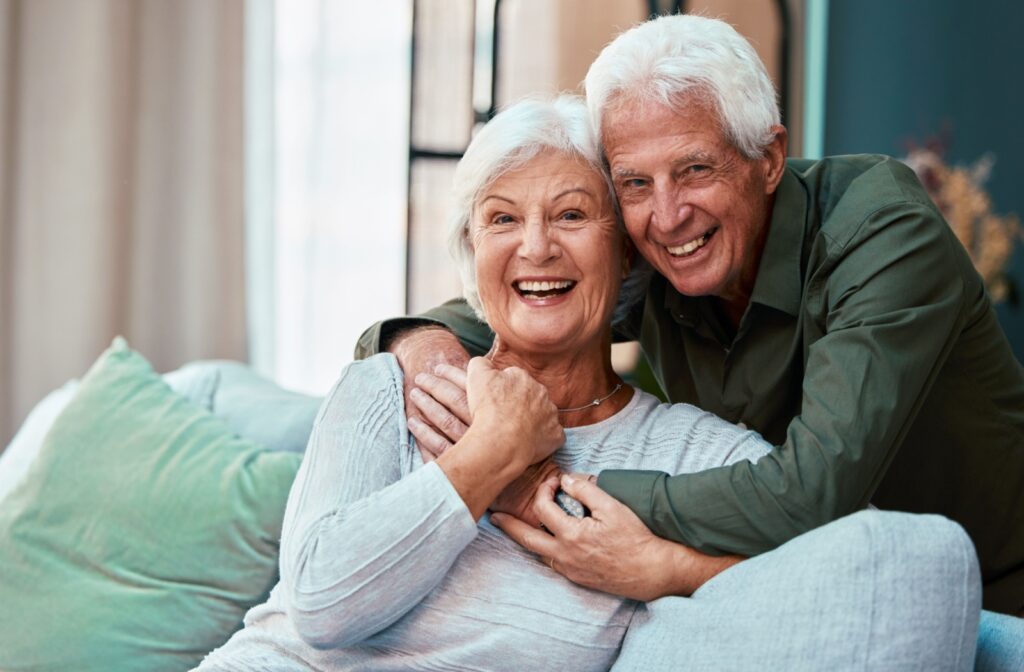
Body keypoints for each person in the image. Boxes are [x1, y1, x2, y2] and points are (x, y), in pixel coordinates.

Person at [196, 97, 980, 671]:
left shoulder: (697, 455)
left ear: (628, 256)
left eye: (571, 215)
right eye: (502, 220)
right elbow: (324, 604)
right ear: (472, 258)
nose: (535, 248)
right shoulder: (392, 390)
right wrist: (490, 454)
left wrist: (668, 569)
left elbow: (872, 571)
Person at [358, 14, 1024, 619]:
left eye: (696, 169)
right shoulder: (656, 254)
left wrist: (555, 492)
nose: (668, 216)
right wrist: (424, 352)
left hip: (993, 601)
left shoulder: (880, 229)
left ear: (768, 158)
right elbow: (532, 295)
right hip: (798, 588)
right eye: (634, 183)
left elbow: (812, 492)